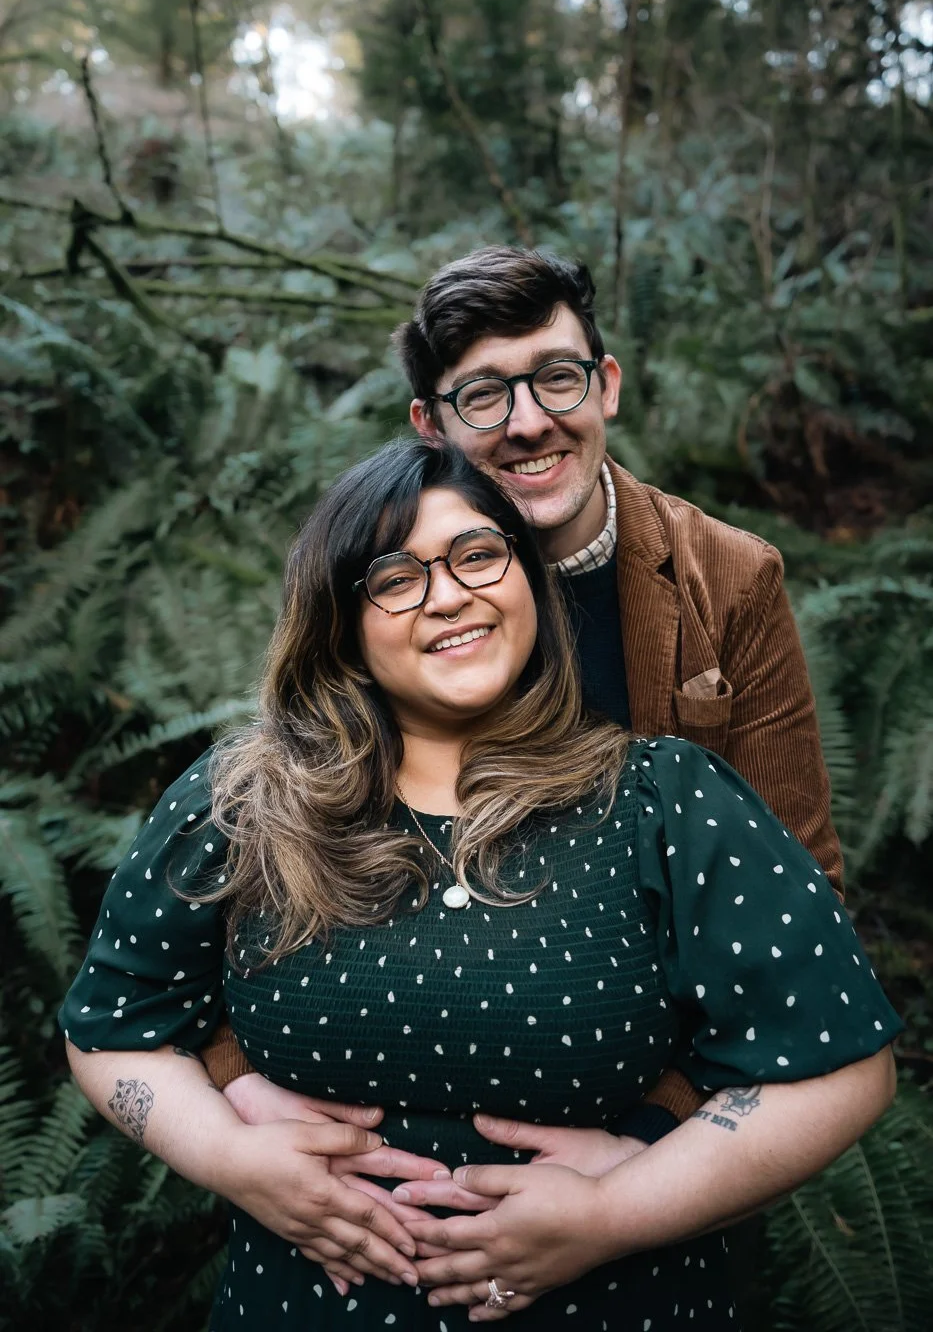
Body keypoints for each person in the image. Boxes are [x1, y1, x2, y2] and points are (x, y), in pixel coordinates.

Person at [62, 440, 899, 1330]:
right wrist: (229, 1157)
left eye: (476, 555)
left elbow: (842, 1068)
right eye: (394, 576)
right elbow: (113, 1027)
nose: (449, 593)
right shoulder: (245, 800)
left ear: (526, 581)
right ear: (338, 623)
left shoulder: (661, 801)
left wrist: (618, 1213)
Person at [203, 245, 844, 1145]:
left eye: (556, 378)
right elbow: (260, 852)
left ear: (605, 385)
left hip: (645, 1117)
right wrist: (244, 1089)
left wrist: (648, 1140)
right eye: (483, 395)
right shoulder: (376, 589)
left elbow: (798, 880)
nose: (529, 421)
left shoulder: (727, 581)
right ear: (429, 423)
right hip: (371, 1103)